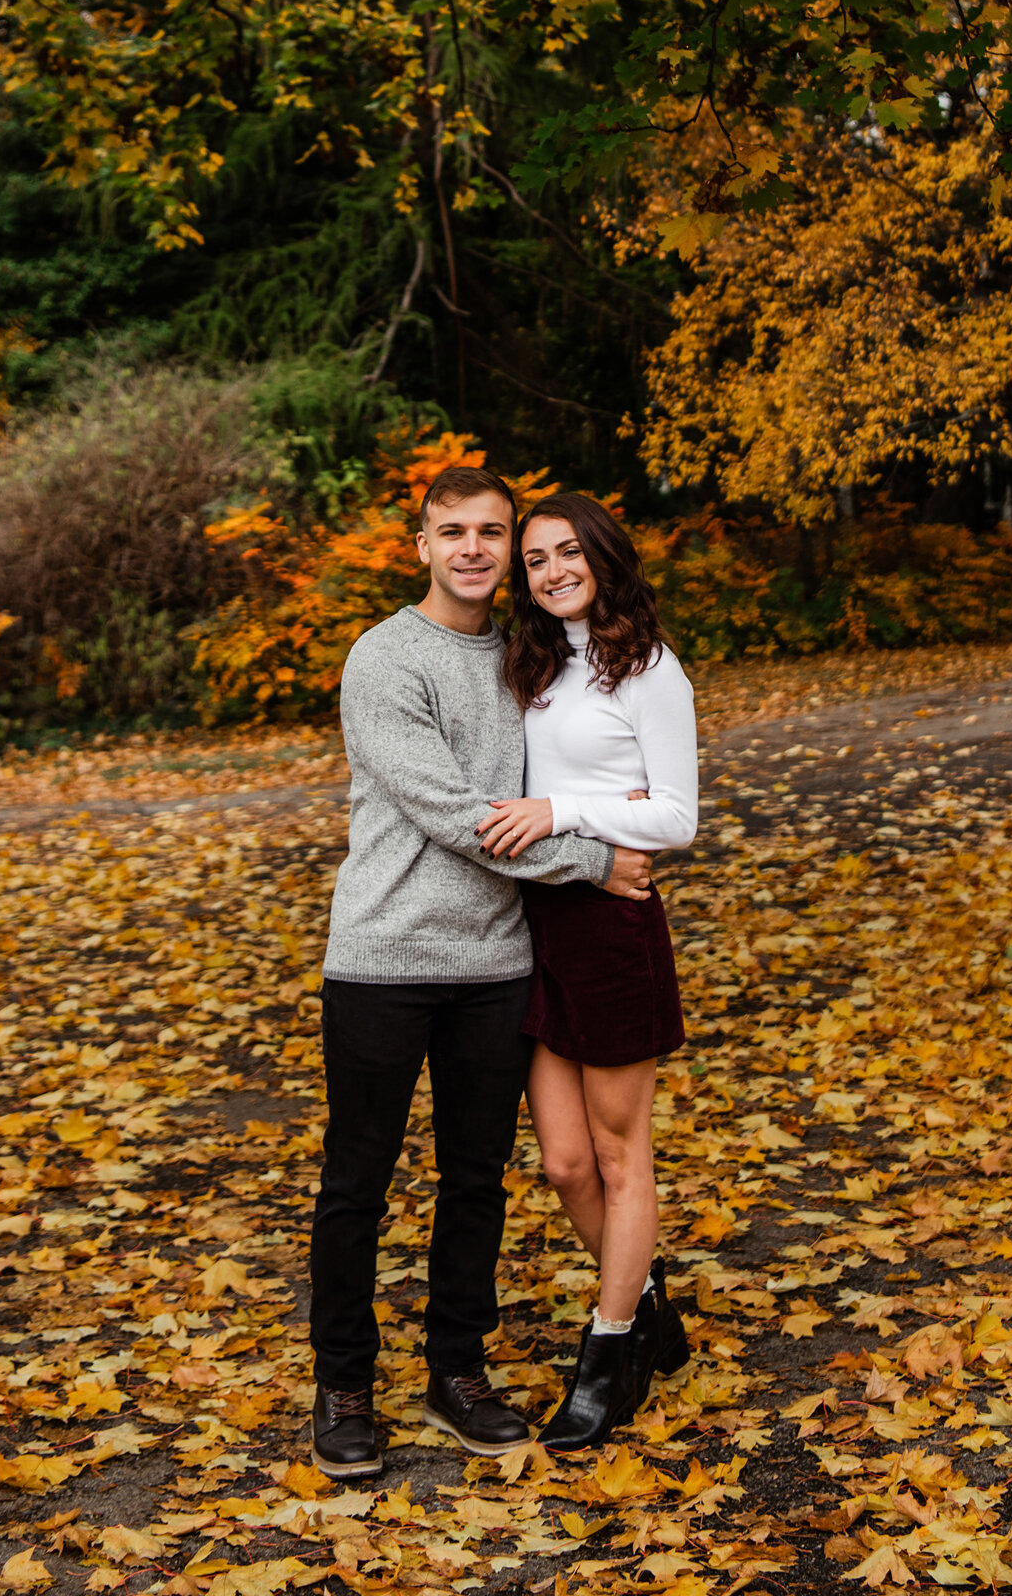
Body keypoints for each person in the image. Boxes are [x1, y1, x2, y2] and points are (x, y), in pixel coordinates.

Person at [308, 466, 654, 1479]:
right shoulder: (384, 658)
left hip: (498, 960)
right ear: (420, 543)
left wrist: (617, 818)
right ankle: (344, 1384)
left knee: (475, 1179)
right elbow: (454, 813)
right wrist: (593, 860)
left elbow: (580, 774)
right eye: (451, 530)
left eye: (491, 531)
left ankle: (455, 1367)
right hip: (382, 957)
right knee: (356, 1180)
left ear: (511, 549)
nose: (471, 548)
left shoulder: (530, 656)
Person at [477, 492, 698, 1450]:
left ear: (603, 557)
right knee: (564, 1162)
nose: (553, 570)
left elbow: (678, 818)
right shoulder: (529, 667)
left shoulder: (648, 669)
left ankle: (608, 1355)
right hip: (533, 926)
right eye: (536, 559)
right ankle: (645, 1299)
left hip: (610, 927)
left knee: (618, 1154)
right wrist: (583, 808)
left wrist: (566, 810)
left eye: (569, 552)